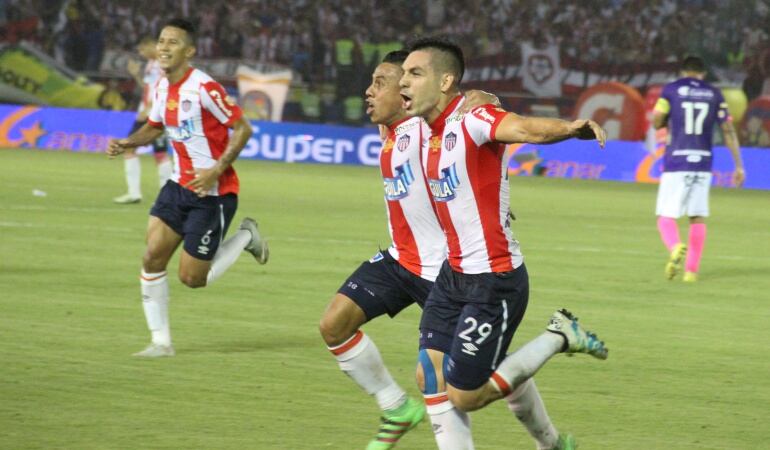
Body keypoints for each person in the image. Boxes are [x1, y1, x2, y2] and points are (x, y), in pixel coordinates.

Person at [399, 36, 609, 449]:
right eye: (403, 73)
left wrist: (569, 128)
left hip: (493, 279)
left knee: (465, 394)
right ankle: (551, 443)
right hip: (453, 273)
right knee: (428, 372)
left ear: (445, 82)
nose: (404, 81)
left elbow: (522, 127)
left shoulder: (472, 120)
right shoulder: (425, 129)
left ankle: (559, 335)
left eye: (414, 73)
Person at [318, 50, 500, 450]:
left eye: (381, 83)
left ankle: (549, 438)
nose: (369, 91)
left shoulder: (427, 128)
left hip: (444, 272)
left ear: (407, 90)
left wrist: (485, 95)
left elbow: (474, 115)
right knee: (334, 324)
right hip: (401, 260)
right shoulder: (388, 130)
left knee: (476, 372)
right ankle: (395, 407)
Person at [107, 19, 269, 357]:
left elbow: (243, 129)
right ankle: (161, 342)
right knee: (152, 256)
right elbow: (154, 127)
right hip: (177, 186)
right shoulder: (163, 87)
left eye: (174, 42)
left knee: (193, 279)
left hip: (212, 194)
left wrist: (216, 169)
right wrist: (128, 142)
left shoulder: (205, 88)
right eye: (162, 40)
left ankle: (245, 237)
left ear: (189, 51)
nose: (164, 47)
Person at [652, 56, 745, 282]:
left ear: (684, 71)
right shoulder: (715, 93)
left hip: (677, 159)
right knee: (697, 217)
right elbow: (728, 129)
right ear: (703, 73)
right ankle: (691, 272)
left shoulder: (671, 90)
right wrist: (739, 165)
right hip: (703, 161)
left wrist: (665, 122)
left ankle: (675, 247)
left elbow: (656, 120)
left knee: (665, 216)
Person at [113, 36, 173, 204]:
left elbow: (164, 89)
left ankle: (164, 197)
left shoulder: (163, 64)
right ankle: (135, 193)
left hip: (155, 114)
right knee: (131, 149)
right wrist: (136, 75)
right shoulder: (151, 64)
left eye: (142, 49)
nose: (141, 53)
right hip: (147, 112)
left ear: (152, 46)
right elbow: (148, 87)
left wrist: (148, 109)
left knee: (158, 153)